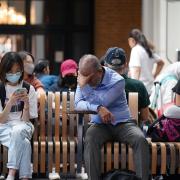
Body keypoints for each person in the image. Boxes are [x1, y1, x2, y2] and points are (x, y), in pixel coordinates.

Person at [75, 54, 149, 180]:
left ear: (99, 71)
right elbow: (78, 104)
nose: (86, 82)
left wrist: (84, 87)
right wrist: (98, 108)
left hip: (123, 123)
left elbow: (103, 101)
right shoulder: (84, 77)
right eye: (84, 79)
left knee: (140, 139)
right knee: (90, 138)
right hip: (100, 125)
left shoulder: (117, 80)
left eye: (89, 79)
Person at [0, 52, 38, 180]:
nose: (14, 75)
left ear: (22, 71)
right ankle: (25, 177)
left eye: (17, 71)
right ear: (4, 71)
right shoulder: (0, 89)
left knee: (18, 130)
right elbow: (1, 120)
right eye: (10, 71)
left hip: (24, 125)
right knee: (25, 143)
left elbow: (27, 120)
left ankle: (11, 173)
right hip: (4, 128)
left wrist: (26, 104)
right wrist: (10, 102)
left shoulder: (29, 89)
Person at [103, 47, 151, 123]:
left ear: (105, 65)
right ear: (126, 64)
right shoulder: (138, 86)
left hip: (104, 130)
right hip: (131, 130)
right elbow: (145, 116)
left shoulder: (98, 85)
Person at [128, 28, 164, 95]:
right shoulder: (148, 50)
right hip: (150, 87)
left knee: (134, 106)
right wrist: (154, 75)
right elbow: (161, 63)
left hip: (139, 89)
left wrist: (134, 90)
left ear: (131, 40)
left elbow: (136, 69)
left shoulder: (135, 50)